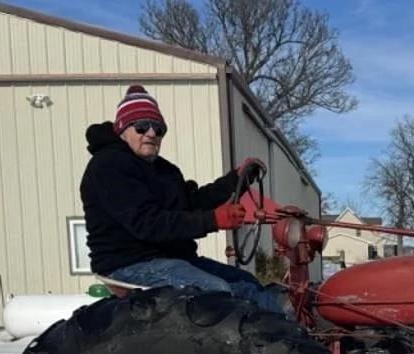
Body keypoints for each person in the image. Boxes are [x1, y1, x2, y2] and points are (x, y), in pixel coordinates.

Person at [80, 85, 286, 313]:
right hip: (129, 263)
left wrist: (235, 180)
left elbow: (190, 203)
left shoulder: (164, 170)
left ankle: (291, 341)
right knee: (217, 292)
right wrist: (213, 221)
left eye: (158, 129)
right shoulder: (109, 166)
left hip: (175, 258)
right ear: (122, 130)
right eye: (141, 127)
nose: (150, 133)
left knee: (248, 285)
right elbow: (148, 224)